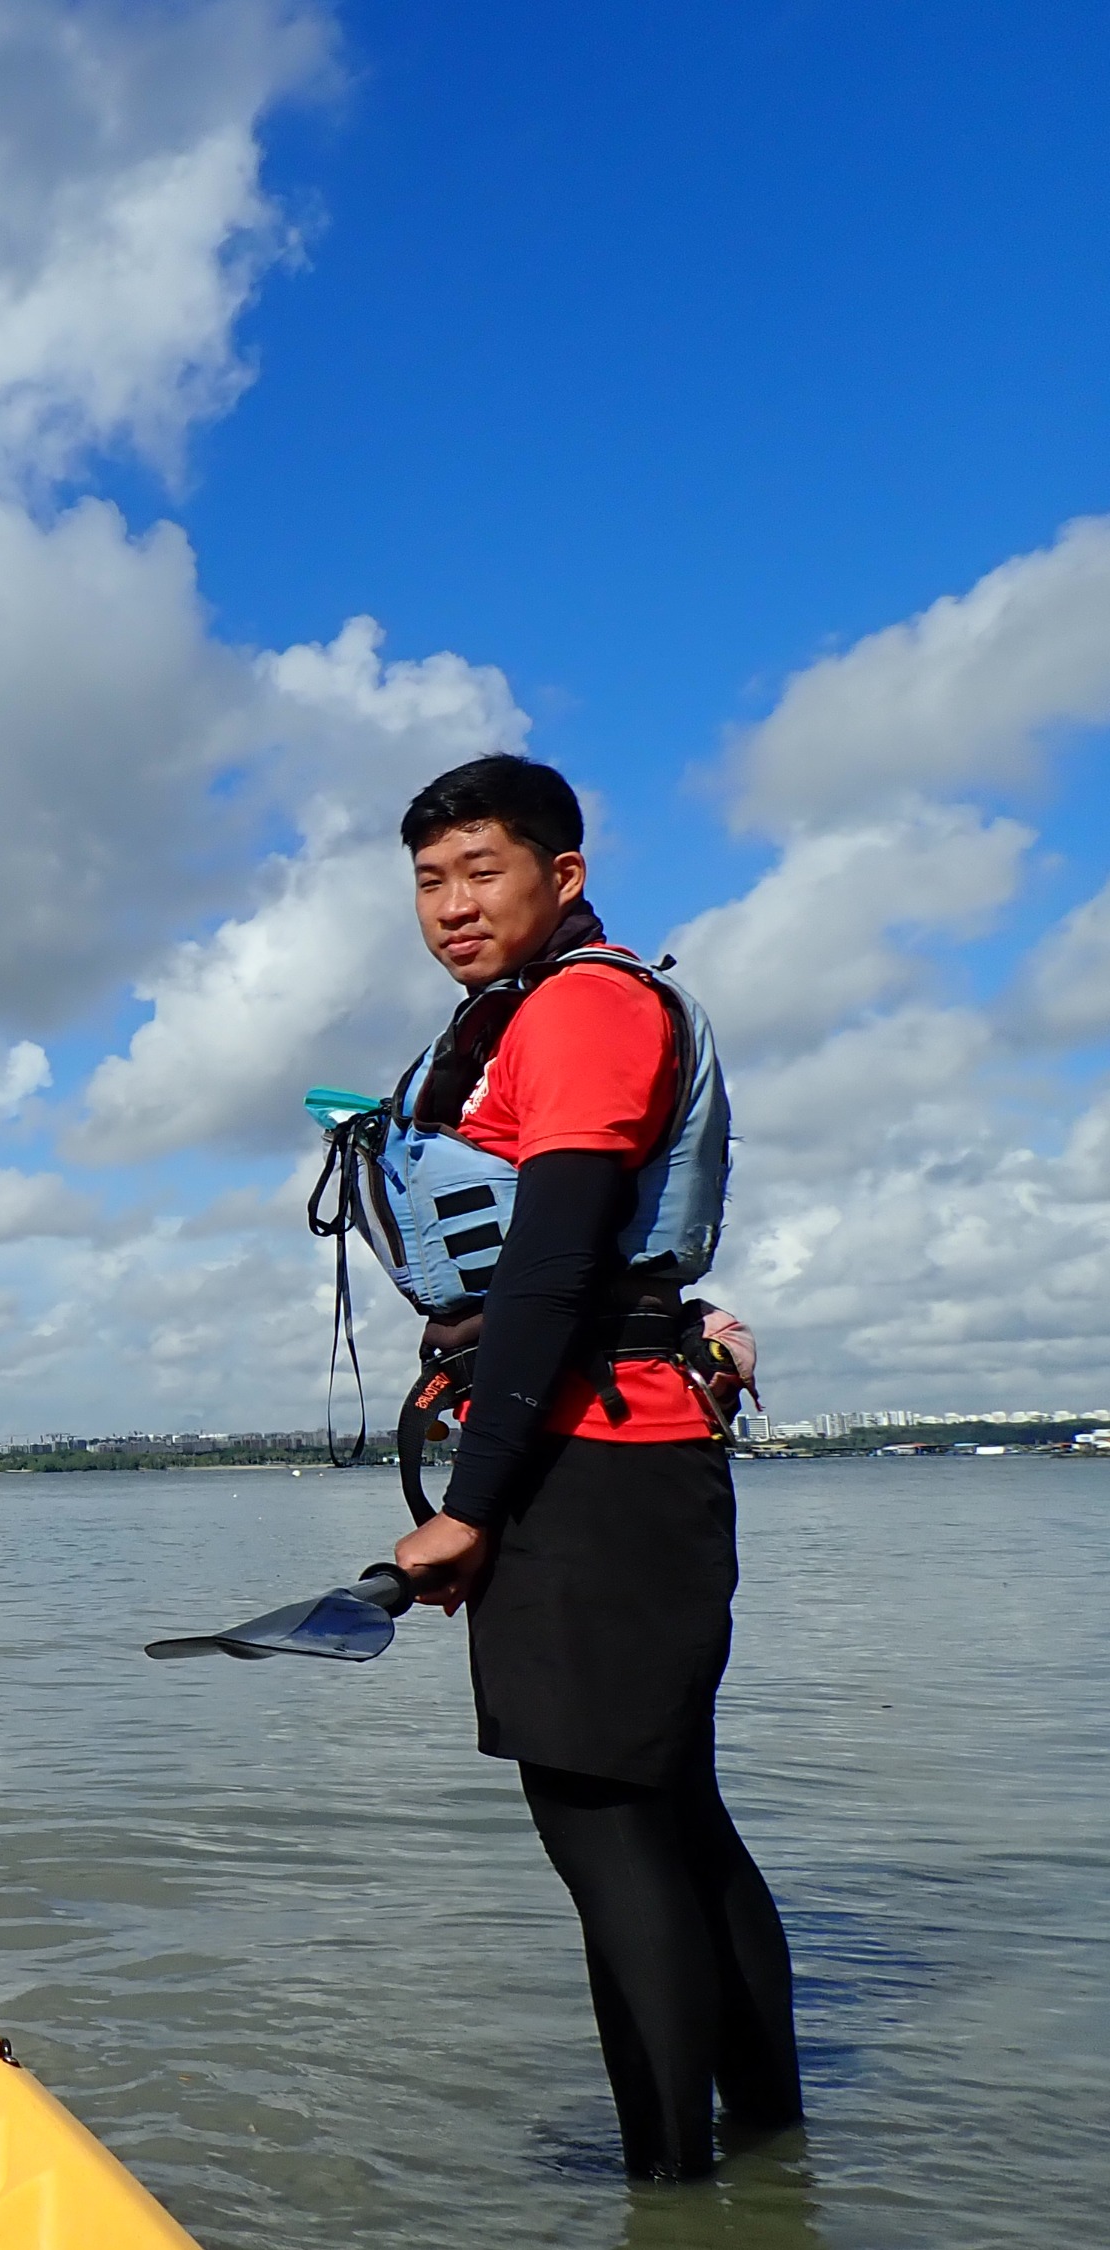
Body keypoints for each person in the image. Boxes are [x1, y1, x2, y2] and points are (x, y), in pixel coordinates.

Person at [370, 756, 803, 2179]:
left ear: (564, 872)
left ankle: (671, 2189)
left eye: (481, 869)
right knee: (672, 1816)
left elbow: (552, 1265)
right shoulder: (555, 1008)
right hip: (627, 1460)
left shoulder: (583, 1010)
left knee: (607, 1835)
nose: (450, 905)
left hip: (595, 1465)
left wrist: (472, 1509)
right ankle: (769, 2156)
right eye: (429, 879)